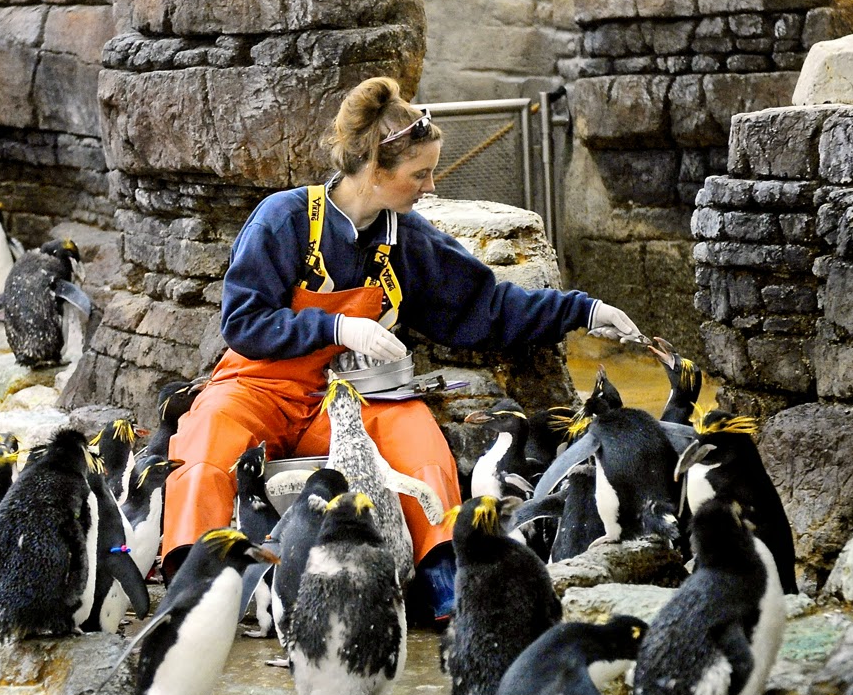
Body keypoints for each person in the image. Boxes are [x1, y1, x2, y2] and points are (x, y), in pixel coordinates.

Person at [162, 76, 643, 619]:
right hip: (259, 385)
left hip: (351, 396)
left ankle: (445, 587)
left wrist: (583, 310)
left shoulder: (406, 238)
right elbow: (244, 321)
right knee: (207, 444)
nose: (431, 186)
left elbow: (485, 307)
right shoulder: (284, 218)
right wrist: (335, 329)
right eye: (420, 173)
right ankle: (189, 587)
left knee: (421, 445)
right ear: (375, 170)